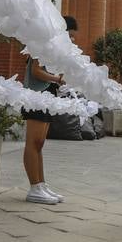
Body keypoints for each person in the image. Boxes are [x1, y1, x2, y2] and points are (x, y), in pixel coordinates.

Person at [20, 15, 77, 205]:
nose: (72, 39)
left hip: (47, 96)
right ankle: (34, 187)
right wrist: (58, 79)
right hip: (36, 96)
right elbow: (36, 71)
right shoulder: (41, 43)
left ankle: (41, 184)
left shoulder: (53, 48)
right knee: (33, 142)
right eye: (70, 35)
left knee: (40, 144)